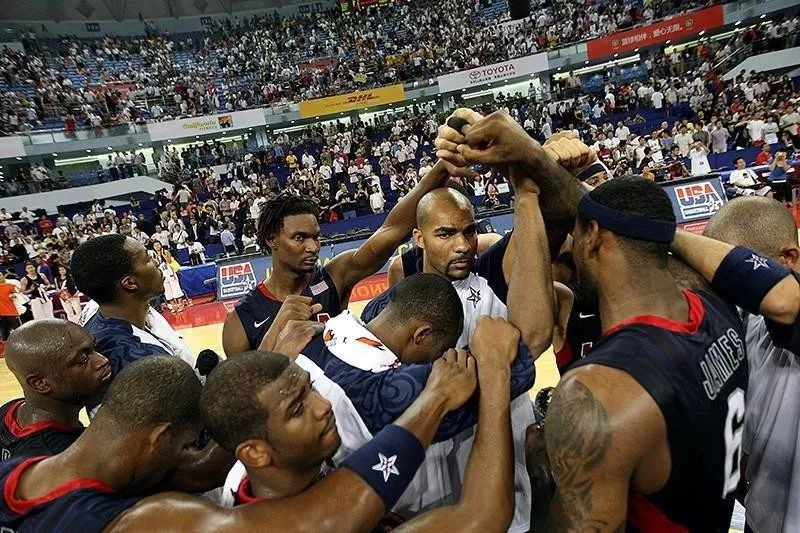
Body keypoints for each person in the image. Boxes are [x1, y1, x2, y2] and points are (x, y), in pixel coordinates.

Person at [441, 110, 748, 530]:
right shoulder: (714, 305)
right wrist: (532, 158)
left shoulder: (596, 395)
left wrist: (539, 465)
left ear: (593, 236)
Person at [0, 354, 477, 531]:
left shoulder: (14, 476)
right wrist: (435, 399)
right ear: (162, 439)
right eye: (190, 444)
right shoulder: (146, 520)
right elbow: (326, 517)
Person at [210, 316, 518, 532]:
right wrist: (494, 371)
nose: (323, 406)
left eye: (311, 387)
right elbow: (481, 518)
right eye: (296, 409)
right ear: (254, 453)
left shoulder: (247, 479)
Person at [221, 159, 467, 357]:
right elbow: (248, 396)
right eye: (299, 238)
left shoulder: (335, 276)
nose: (312, 247)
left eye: (315, 237)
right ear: (271, 239)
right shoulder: (241, 319)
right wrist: (276, 331)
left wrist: (440, 170)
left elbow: (390, 232)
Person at [699, 196, 800, 533]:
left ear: (788, 258)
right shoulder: (751, 316)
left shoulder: (786, 306)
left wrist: (667, 233)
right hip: (760, 516)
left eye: (732, 268)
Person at [72, 234, 195, 415]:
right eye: (148, 259)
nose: (156, 262)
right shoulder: (141, 363)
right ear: (130, 283)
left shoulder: (101, 312)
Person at [1, 320, 111, 459]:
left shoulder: (10, 410)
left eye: (94, 348)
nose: (103, 360)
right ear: (40, 383)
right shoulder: (62, 456)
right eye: (83, 359)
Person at [158, 249, 185, 313]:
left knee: (177, 292)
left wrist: (170, 262)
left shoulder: (173, 261)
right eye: (164, 254)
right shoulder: (161, 264)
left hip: (173, 279)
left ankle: (180, 305)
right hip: (165, 280)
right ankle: (174, 306)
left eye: (167, 253)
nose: (166, 255)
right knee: (168, 294)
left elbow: (178, 270)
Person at [0, 272, 19, 341]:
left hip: (11, 312)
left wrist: (14, 295)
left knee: (19, 331)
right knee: (4, 335)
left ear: (3, 276)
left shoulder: (11, 286)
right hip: (1, 315)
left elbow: (19, 296)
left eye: (0, 275)